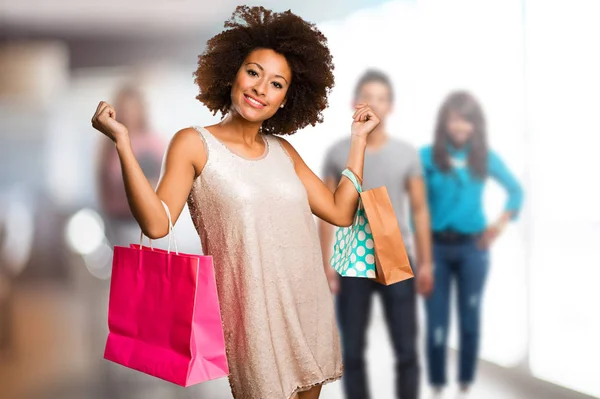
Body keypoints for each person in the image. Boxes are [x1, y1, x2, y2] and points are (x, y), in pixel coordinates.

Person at [91, 6, 382, 399]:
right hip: (252, 324)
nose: (262, 88)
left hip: (307, 307)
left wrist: (359, 141)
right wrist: (122, 143)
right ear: (232, 72)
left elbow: (339, 211)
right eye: (253, 72)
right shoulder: (193, 143)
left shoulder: (284, 151)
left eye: (277, 84)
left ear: (286, 101)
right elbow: (157, 224)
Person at [319, 70, 434, 399]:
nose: (376, 104)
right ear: (355, 103)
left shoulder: (406, 153)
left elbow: (420, 210)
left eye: (382, 97)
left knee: (406, 349)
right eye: (368, 96)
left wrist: (425, 263)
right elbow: (326, 210)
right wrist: (325, 261)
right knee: (352, 351)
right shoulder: (338, 151)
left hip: (397, 255)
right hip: (351, 258)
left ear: (392, 106)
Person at [421, 91, 524, 399]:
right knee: (437, 322)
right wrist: (423, 257)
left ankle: (465, 383)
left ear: (475, 124)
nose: (461, 127)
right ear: (445, 121)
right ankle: (437, 384)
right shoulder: (426, 156)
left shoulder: (485, 157)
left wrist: (499, 225)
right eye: (455, 119)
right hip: (436, 248)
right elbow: (419, 208)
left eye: (467, 121)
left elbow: (515, 191)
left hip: (472, 250)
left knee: (469, 319)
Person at [96, 85, 165, 247]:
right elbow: (104, 186)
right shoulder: (108, 145)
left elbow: (159, 187)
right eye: (124, 108)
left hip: (142, 226)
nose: (128, 113)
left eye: (132, 108)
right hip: (116, 224)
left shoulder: (152, 143)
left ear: (141, 109)